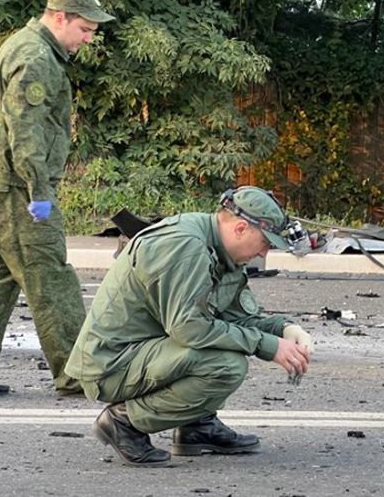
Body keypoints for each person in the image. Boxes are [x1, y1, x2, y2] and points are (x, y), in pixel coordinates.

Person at [65, 186, 314, 467]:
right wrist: (265, 346)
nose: (264, 253)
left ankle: (196, 427)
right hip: (111, 364)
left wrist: (285, 330)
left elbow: (233, 318)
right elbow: (189, 328)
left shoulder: (222, 251)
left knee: (223, 348)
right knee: (225, 365)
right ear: (241, 228)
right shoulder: (186, 246)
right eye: (265, 243)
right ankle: (124, 422)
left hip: (145, 351)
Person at [0, 0, 115, 397]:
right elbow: (26, 131)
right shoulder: (36, 56)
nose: (88, 38)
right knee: (51, 280)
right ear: (60, 17)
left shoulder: (23, 46)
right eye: (85, 28)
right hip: (18, 191)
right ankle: (79, 374)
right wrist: (38, 190)